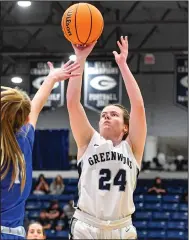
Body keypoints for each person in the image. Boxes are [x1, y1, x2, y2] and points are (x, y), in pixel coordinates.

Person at [66, 36, 147, 239]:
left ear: (126, 126)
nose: (106, 116)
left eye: (113, 114)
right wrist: (80, 57)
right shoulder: (87, 141)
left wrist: (123, 65)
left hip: (122, 227)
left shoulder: (133, 147)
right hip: (86, 225)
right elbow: (73, 103)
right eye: (103, 114)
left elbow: (138, 106)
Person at [1, 60, 80, 240]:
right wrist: (51, 79)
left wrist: (51, 79)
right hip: (16, 233)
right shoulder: (25, 137)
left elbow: (33, 108)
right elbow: (35, 107)